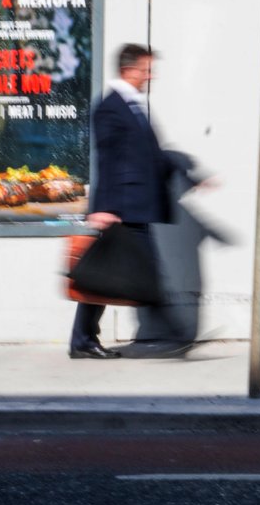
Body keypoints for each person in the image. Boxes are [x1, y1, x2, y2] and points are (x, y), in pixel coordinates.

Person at [69, 44, 187, 359]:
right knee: (139, 273)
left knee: (106, 274)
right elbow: (106, 160)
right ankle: (175, 334)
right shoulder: (111, 107)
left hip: (136, 205)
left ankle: (82, 339)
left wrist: (193, 175)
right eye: (146, 69)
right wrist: (102, 208)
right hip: (122, 207)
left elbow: (151, 156)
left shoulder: (132, 105)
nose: (151, 75)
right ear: (129, 70)